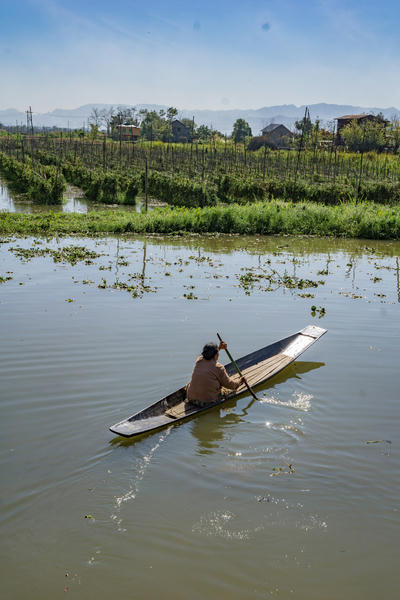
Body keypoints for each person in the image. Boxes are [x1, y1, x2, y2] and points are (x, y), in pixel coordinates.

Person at [186, 340, 244, 407]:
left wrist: (219, 348)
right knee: (229, 391)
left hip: (190, 398)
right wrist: (240, 381)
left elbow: (210, 355)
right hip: (207, 402)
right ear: (216, 354)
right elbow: (230, 385)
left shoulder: (199, 360)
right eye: (217, 353)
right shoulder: (219, 367)